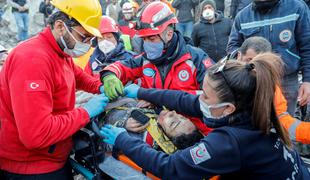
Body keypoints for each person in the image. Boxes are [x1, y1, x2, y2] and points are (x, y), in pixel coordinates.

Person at [100, 53, 310, 179]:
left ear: (227, 108)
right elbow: (183, 100)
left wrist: (123, 140)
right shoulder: (254, 104)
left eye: (206, 96)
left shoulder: (229, 143)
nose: (200, 99)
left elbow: (171, 169)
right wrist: (140, 92)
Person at [0, 0, 110, 179]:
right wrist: (85, 113)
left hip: (51, 157)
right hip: (32, 167)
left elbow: (80, 77)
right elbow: (36, 134)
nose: (87, 45)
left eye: (91, 39)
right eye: (84, 37)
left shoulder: (59, 52)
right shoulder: (33, 61)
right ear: (61, 26)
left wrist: (102, 84)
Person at [101, 1, 213, 101]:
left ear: (169, 34)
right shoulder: (145, 60)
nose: (147, 44)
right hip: (159, 120)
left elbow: (214, 99)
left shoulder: (196, 59)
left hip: (191, 121)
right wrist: (109, 74)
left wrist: (151, 96)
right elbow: (123, 67)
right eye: (144, 39)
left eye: (151, 39)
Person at [227, 0, 310, 116]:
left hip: (286, 81)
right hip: (255, 82)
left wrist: (307, 81)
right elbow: (233, 46)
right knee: (257, 122)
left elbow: (307, 45)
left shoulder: (297, 8)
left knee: (284, 124)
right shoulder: (243, 16)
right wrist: (242, 57)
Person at [102, 98, 204, 151]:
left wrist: (121, 124)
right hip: (113, 100)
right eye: (181, 117)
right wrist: (151, 100)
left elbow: (103, 142)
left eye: (173, 123)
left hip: (98, 115)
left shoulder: (139, 141)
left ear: (167, 139)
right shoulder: (159, 118)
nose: (173, 112)